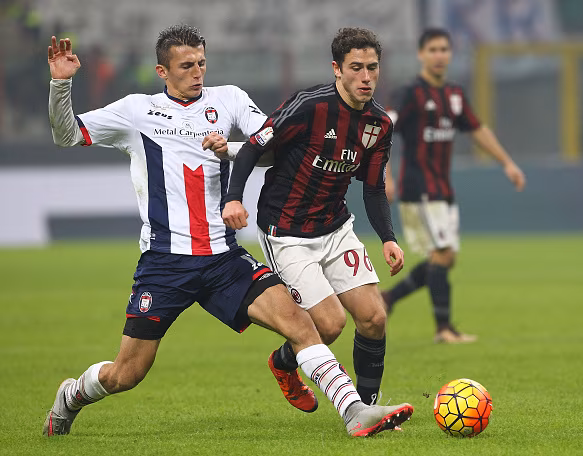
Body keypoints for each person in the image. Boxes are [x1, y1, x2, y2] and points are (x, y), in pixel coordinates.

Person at [43, 25, 413, 438]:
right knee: (126, 373)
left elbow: (271, 147)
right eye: (186, 66)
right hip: (166, 263)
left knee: (302, 325)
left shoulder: (230, 99)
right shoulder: (136, 110)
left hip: (224, 259)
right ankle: (71, 395)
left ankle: (355, 412)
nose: (197, 72)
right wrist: (61, 85)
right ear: (162, 71)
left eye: (202, 63)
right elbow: (67, 135)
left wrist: (231, 151)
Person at [221, 27, 405, 411]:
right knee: (329, 325)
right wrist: (233, 198)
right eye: (356, 67)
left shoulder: (379, 124)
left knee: (374, 317)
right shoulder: (309, 106)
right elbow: (254, 147)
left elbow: (373, 188)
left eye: (372, 67)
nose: (366, 77)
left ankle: (369, 407)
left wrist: (388, 237)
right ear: (337, 69)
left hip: (335, 227)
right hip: (286, 232)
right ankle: (282, 363)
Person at [382, 28, 526, 343]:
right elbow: (384, 131)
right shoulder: (409, 93)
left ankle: (389, 298)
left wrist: (507, 162)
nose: (439, 55)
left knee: (445, 259)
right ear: (421, 54)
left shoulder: (455, 94)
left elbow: (477, 129)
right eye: (432, 49)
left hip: (443, 189)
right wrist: (385, 176)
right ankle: (444, 329)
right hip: (419, 188)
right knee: (443, 253)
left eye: (444, 49)